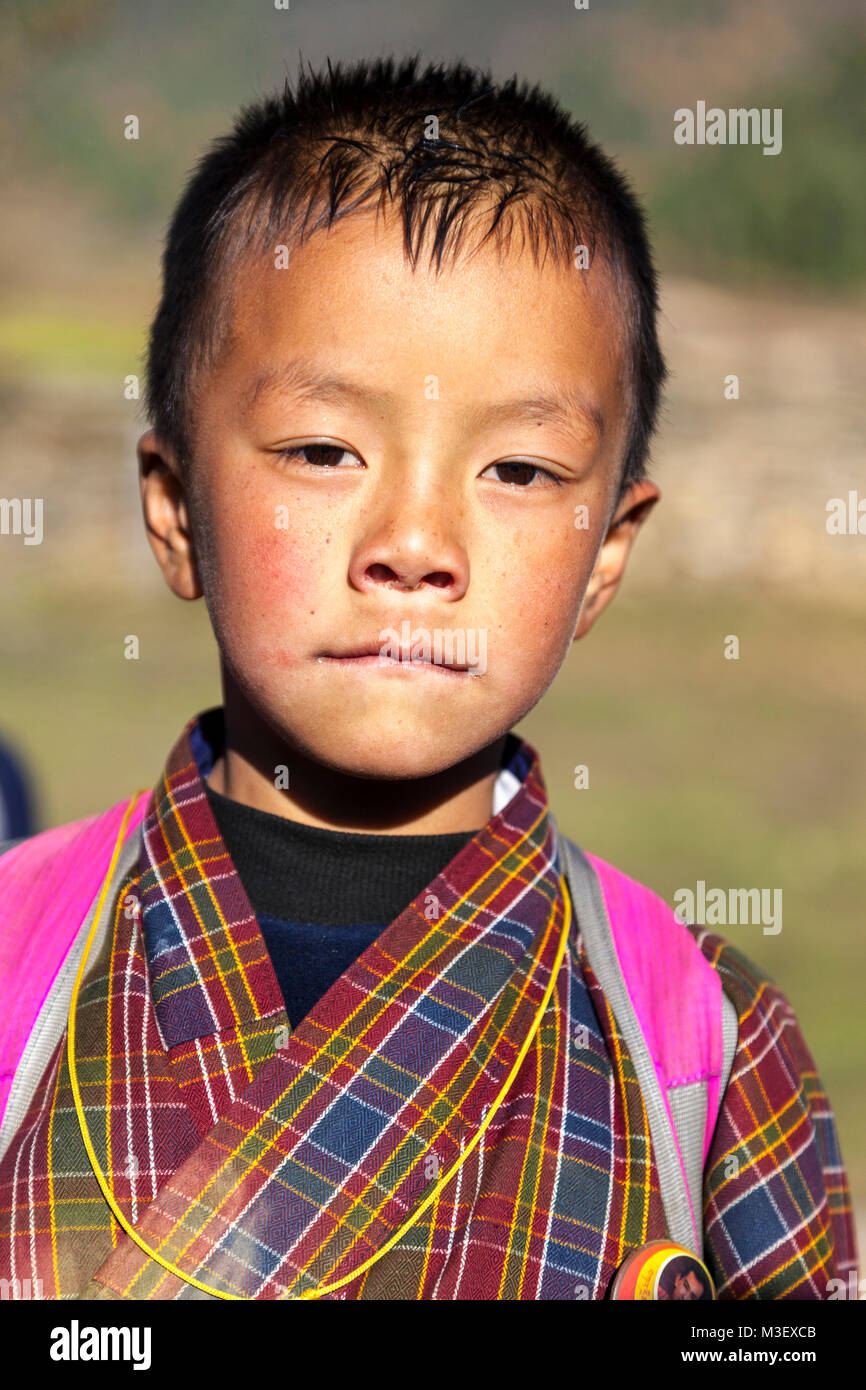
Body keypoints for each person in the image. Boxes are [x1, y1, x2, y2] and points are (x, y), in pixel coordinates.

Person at [0, 54, 857, 1301]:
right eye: (321, 448)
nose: (414, 546)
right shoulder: (21, 958)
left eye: (517, 471)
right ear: (177, 508)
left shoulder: (702, 1043)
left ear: (606, 552)